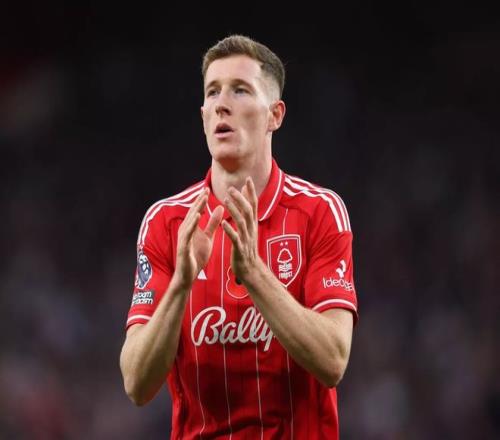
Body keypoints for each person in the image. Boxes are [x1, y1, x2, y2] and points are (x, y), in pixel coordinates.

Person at [120, 34, 358, 439]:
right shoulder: (166, 222)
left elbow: (333, 360)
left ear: (275, 115)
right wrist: (180, 285)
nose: (221, 103)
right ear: (203, 116)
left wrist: (255, 274)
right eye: (212, 92)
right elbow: (136, 384)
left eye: (240, 90)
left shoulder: (319, 212)